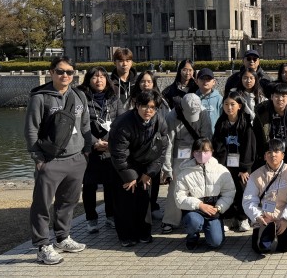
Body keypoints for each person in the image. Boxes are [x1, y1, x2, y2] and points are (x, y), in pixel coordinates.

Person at [24, 56, 92, 265]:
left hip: (76, 159)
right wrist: (39, 159)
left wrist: (86, 152)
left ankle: (63, 237)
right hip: (50, 160)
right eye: (60, 71)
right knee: (42, 205)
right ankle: (43, 245)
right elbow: (31, 129)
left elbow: (86, 126)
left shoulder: (79, 95)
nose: (65, 76)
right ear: (51, 72)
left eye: (69, 72)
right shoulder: (40, 97)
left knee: (68, 202)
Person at [108, 90, 169, 247]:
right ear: (136, 105)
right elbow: (119, 153)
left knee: (144, 201)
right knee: (125, 202)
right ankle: (125, 235)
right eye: (144, 106)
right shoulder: (123, 123)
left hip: (146, 165)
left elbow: (162, 150)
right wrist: (130, 176)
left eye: (152, 107)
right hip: (124, 166)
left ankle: (144, 232)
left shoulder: (159, 121)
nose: (148, 110)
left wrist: (150, 172)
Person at [78, 66, 126, 234]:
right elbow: (79, 125)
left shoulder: (114, 98)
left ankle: (110, 215)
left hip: (109, 149)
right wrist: (93, 142)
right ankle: (91, 219)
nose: (98, 80)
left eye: (102, 77)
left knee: (110, 185)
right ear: (88, 80)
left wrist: (106, 141)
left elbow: (121, 122)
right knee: (89, 186)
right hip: (88, 150)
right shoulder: (81, 98)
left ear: (107, 79)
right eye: (94, 77)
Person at [160, 93, 213, 234]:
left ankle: (201, 218)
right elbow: (168, 144)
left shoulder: (203, 113)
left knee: (200, 185)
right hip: (179, 153)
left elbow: (206, 137)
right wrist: (167, 167)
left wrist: (205, 159)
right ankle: (170, 220)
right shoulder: (171, 117)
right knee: (175, 186)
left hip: (199, 150)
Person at [174, 137, 237, 250]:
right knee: (193, 222)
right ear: (193, 152)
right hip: (194, 210)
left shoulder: (221, 170)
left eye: (206, 151)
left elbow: (229, 192)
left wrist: (219, 207)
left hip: (213, 211)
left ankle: (215, 229)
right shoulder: (184, 172)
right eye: (198, 151)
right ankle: (192, 236)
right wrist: (200, 205)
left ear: (212, 151)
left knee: (216, 242)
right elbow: (179, 198)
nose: (202, 154)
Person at [243, 139, 287, 254]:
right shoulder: (256, 175)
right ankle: (265, 233)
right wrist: (258, 216)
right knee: (260, 248)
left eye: (276, 151)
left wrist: (286, 219)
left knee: (286, 246)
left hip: (283, 218)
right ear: (265, 156)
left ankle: (281, 233)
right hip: (264, 219)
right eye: (269, 152)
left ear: (283, 155)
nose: (273, 155)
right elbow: (249, 200)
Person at [211, 91, 258, 233]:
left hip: (242, 165)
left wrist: (245, 168)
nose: (229, 107)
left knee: (243, 190)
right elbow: (217, 145)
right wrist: (219, 165)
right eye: (226, 104)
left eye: (232, 104)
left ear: (239, 106)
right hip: (225, 164)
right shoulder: (221, 122)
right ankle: (229, 218)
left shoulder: (245, 123)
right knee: (226, 190)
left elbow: (249, 146)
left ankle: (243, 218)